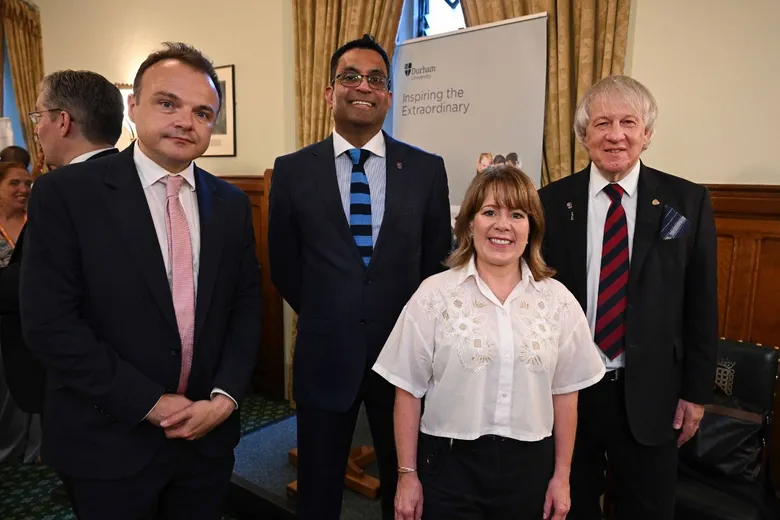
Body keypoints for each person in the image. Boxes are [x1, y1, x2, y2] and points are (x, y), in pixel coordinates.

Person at [20, 42, 262, 520]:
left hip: (205, 440)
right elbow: (50, 325)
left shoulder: (231, 204)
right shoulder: (66, 194)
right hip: (108, 439)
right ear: (133, 106)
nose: (185, 121)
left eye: (203, 112)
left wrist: (225, 398)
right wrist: (148, 402)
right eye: (167, 103)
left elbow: (246, 305)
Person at [269, 34, 451, 520]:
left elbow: (437, 265)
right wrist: (332, 314)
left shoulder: (426, 170)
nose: (362, 86)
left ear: (388, 95)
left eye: (375, 79)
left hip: (405, 364)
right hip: (324, 356)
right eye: (350, 76)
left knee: (406, 486)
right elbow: (284, 264)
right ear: (330, 92)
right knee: (318, 489)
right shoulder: (290, 172)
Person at [374, 164, 605, 520]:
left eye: (517, 214)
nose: (503, 225)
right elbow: (407, 390)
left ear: (532, 229)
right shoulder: (434, 295)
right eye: (489, 212)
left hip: (529, 471)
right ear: (469, 224)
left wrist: (562, 476)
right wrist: (406, 476)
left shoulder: (558, 301)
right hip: (448, 468)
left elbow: (566, 395)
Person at [538, 75, 718, 520]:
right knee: (567, 506)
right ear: (584, 135)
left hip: (653, 394)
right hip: (568, 391)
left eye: (627, 122)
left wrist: (696, 394)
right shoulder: (550, 202)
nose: (615, 134)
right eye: (601, 123)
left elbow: (701, 306)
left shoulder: (687, 202)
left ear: (647, 133)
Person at [2, 69, 125, 418]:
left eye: (39, 116)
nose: (37, 129)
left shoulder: (57, 189)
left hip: (75, 365)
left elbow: (39, 284)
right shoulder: (135, 181)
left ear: (63, 121)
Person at [0, 161, 35, 464]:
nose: (23, 189)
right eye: (14, 183)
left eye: (27, 183)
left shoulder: (37, 221)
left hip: (32, 324)